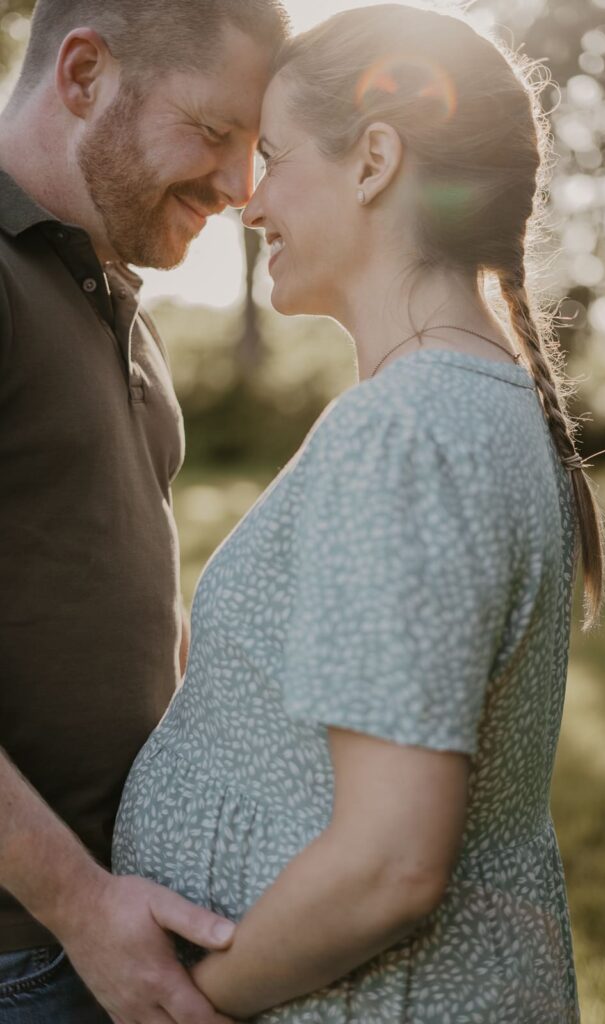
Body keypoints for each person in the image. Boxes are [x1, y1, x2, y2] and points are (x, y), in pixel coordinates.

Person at [113, 5, 605, 1022]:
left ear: (374, 160)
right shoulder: (468, 404)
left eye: (276, 155)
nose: (249, 203)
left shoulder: (407, 432)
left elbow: (388, 863)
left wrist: (188, 1002)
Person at [0, 1, 290, 1022]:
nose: (240, 187)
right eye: (215, 133)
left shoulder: (110, 290)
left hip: (117, 920)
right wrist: (80, 908)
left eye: (256, 150)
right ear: (83, 75)